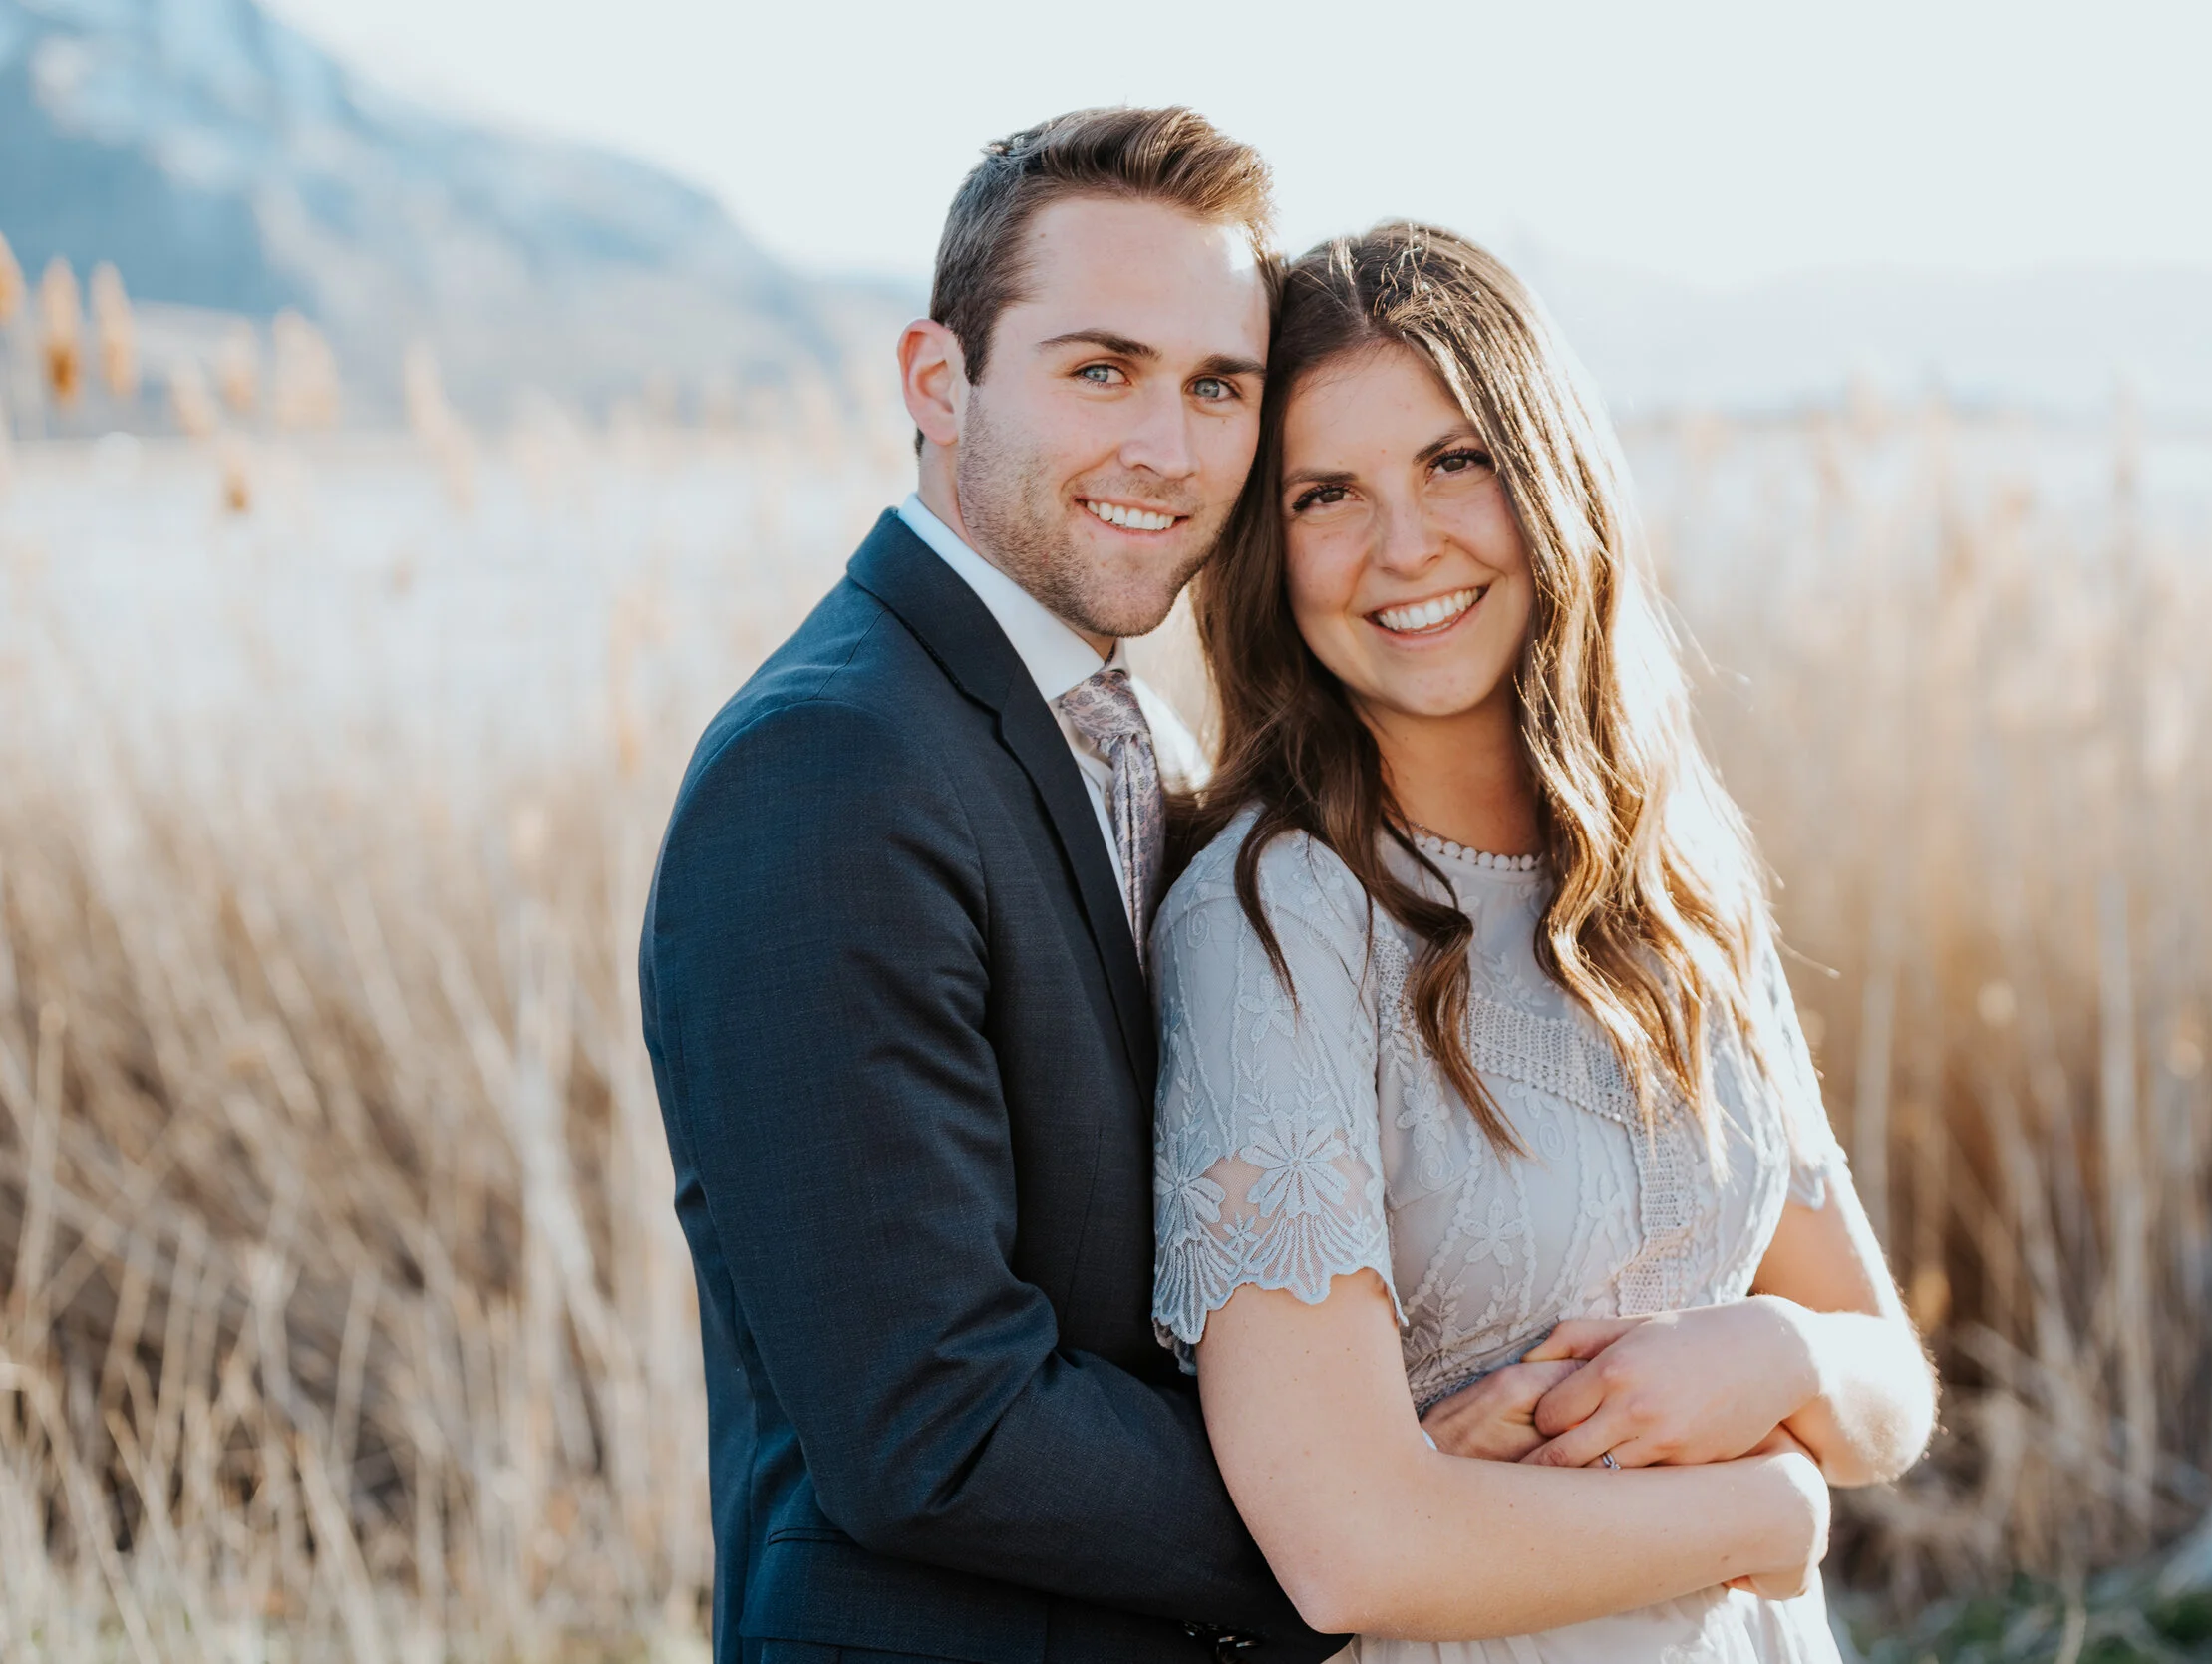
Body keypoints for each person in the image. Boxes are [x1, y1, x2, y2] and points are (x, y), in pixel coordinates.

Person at [1151, 223, 1938, 1659]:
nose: (1406, 547)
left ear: (1548, 473)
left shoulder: (1675, 873)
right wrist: (1762, 1512)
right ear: (1267, 551)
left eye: (1456, 462)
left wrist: (1777, 1353)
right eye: (1327, 494)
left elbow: (1887, 1388)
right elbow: (1348, 1552)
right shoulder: (1274, 923)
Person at [638, 107, 1339, 1663]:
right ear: (937, 382)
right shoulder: (827, 764)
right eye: (1101, 370)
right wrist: (1368, 1514)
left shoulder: (1132, 733)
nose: (1168, 449)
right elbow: (933, 1419)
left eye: (1216, 386)